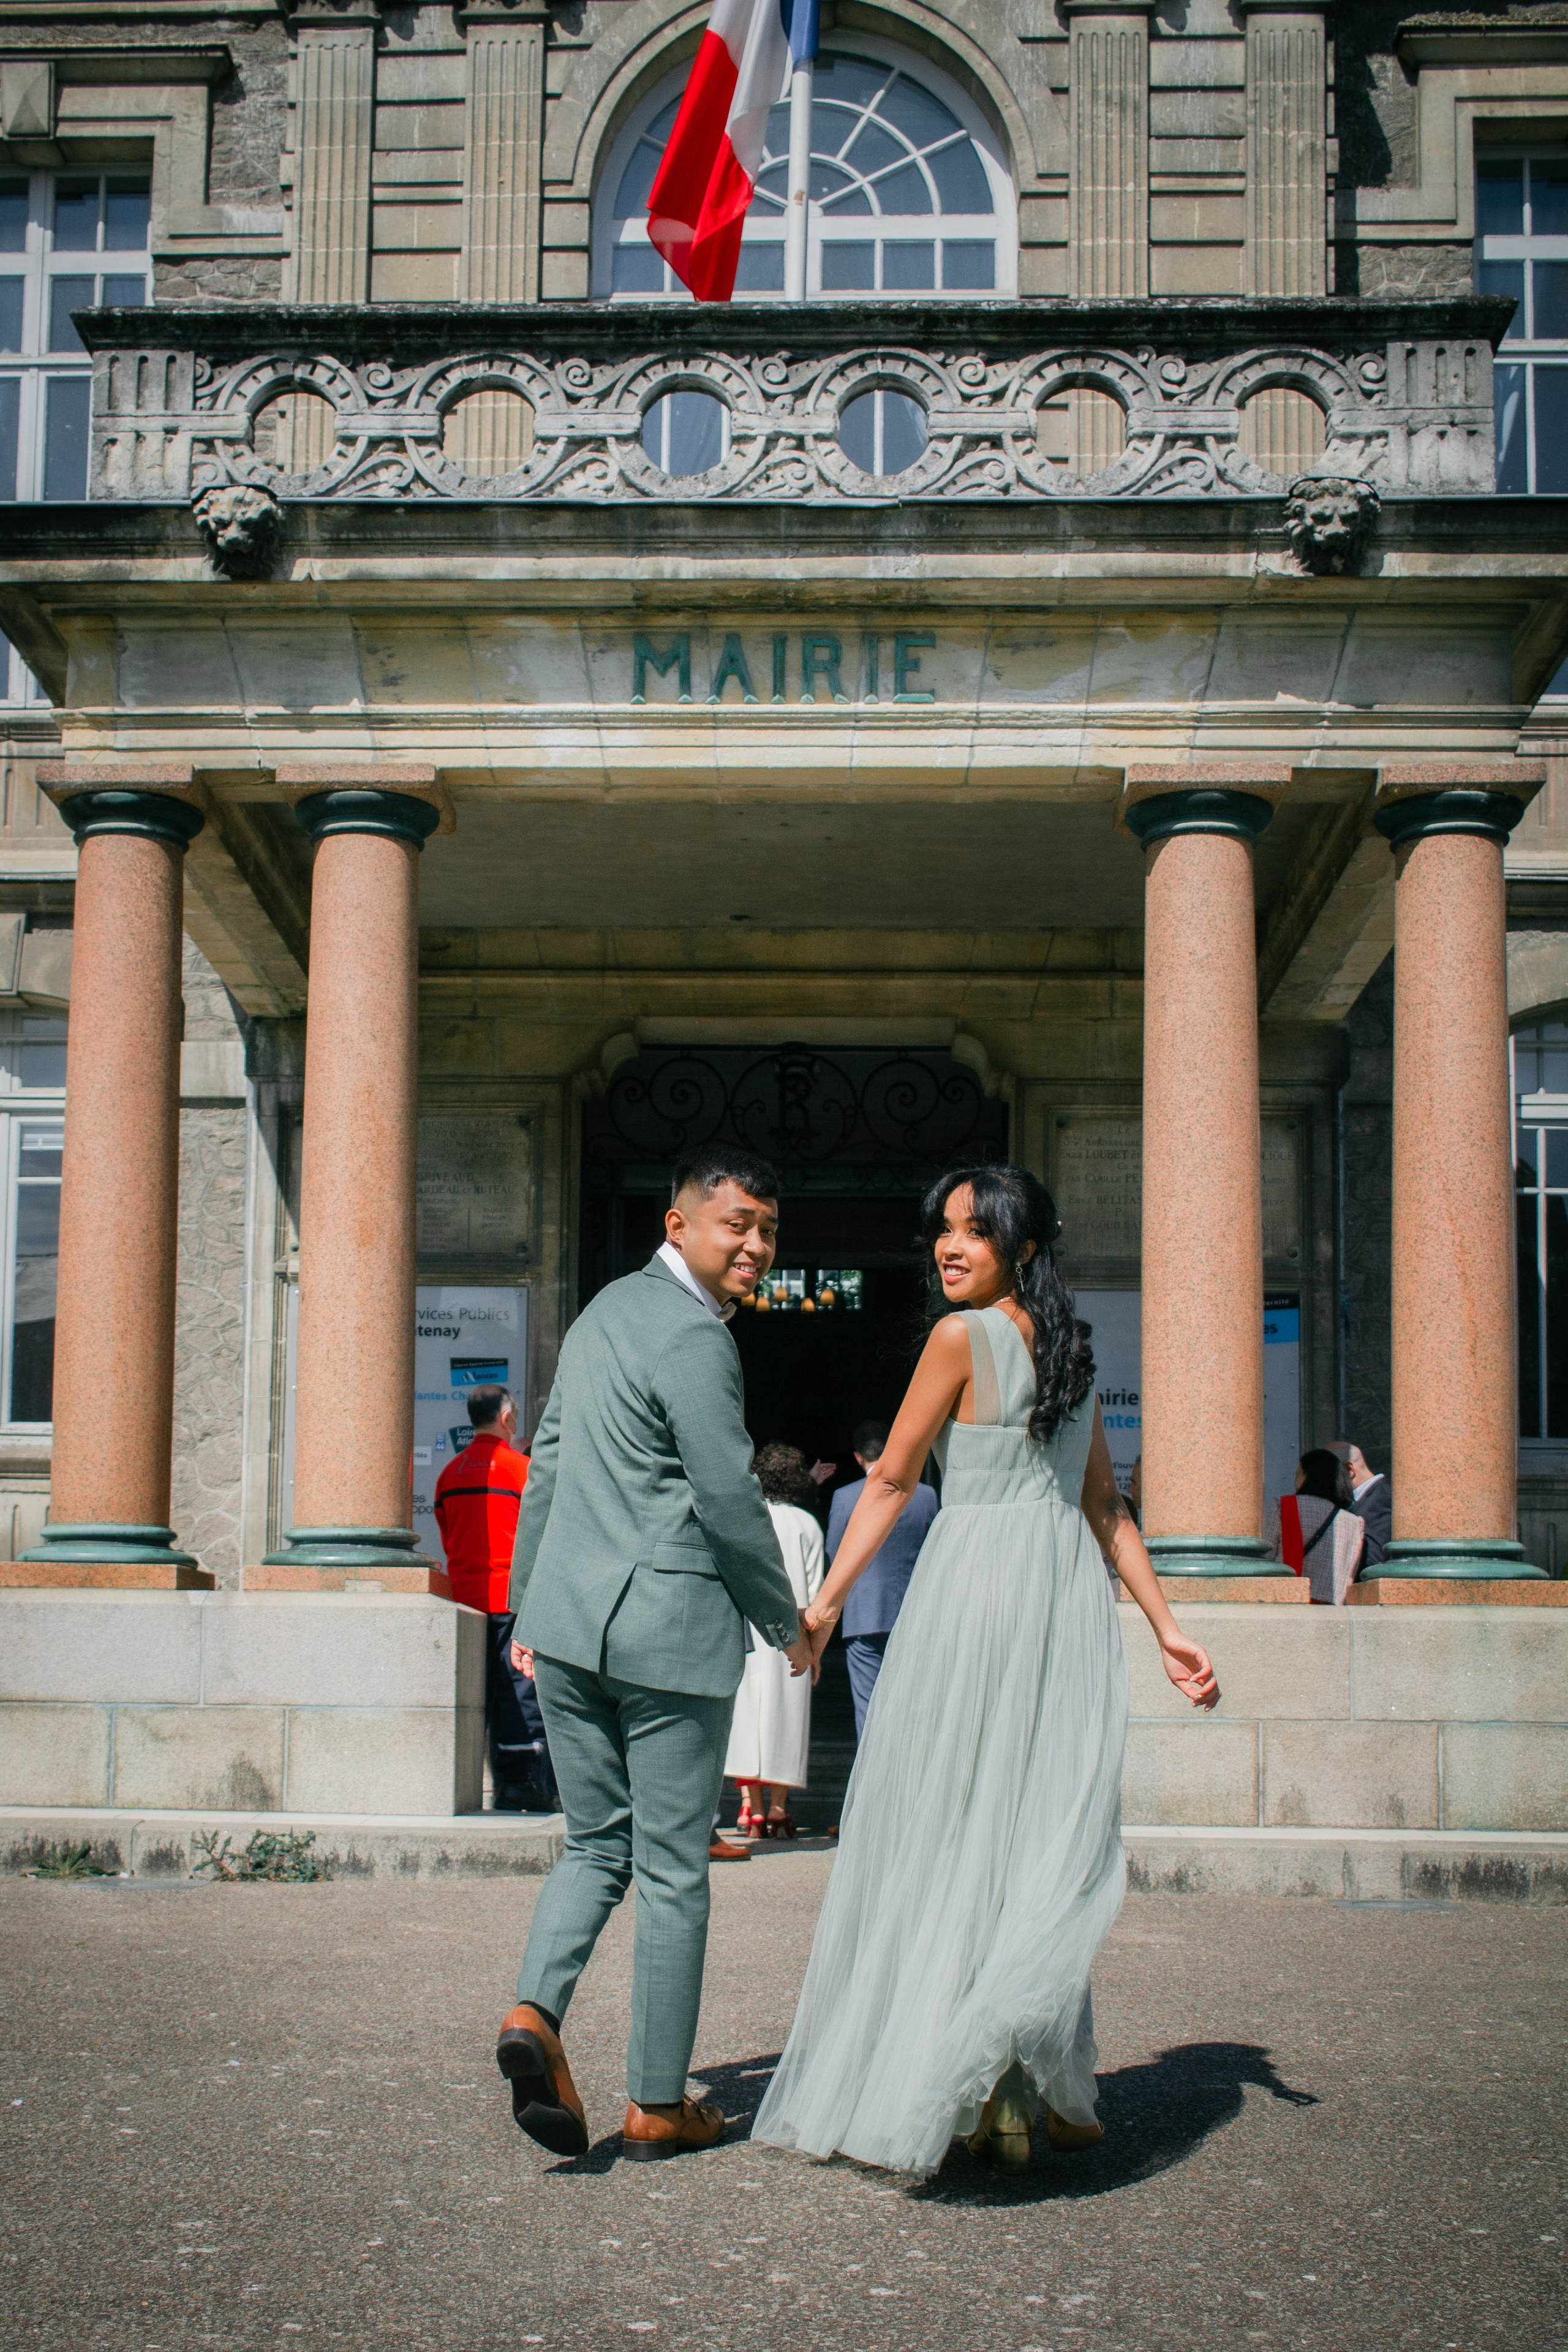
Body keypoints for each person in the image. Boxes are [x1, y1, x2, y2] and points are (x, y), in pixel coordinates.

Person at [751, 1163, 1219, 2180]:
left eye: (973, 1230)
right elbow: (1106, 1511)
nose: (948, 1246)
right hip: (1058, 1600)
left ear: (1025, 1245)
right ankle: (1031, 2081)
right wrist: (1166, 1626)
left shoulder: (959, 1338)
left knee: (955, 1821)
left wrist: (825, 1605)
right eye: (942, 1231)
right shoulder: (1074, 1354)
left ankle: (979, 2084)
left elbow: (889, 1476)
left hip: (976, 1595)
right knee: (1030, 1830)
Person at [494, 1147, 812, 2163]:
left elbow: (547, 1466)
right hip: (666, 1636)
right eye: (739, 1225)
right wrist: (786, 1620)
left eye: (768, 1228)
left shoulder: (597, 1319)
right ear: (679, 1227)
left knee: (595, 1845)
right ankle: (658, 2102)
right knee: (674, 1870)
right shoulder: (692, 1336)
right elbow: (727, 1494)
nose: (757, 1245)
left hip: (574, 1628)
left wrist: (525, 1614)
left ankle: (534, 2014)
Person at [432, 1385, 556, 1814]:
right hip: (511, 1601)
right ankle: (520, 1785)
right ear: (506, 1419)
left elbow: (448, 1537)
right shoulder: (521, 1470)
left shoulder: (449, 1474)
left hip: (465, 1602)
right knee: (520, 1694)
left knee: (472, 1697)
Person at [727, 1442, 826, 1838]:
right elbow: (818, 1591)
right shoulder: (807, 1524)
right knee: (786, 1719)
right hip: (794, 1635)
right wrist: (815, 1650)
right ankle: (780, 1808)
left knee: (746, 1717)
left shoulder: (745, 1518)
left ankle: (751, 1807)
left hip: (748, 1631)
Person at [826, 1419, 938, 1736]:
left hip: (863, 1614)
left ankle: (872, 1783)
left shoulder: (846, 1497)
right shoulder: (927, 1495)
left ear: (858, 1457)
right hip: (913, 1614)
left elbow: (835, 1552)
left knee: (869, 1709)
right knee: (913, 1705)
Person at [1271, 1448, 1366, 1604]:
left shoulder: (1284, 1507)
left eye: (1298, 1473)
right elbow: (1350, 1574)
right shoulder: (1355, 1523)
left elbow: (1267, 1556)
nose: (1295, 1478)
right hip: (1332, 1611)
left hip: (1287, 1602)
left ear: (1308, 1475)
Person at [1329, 1438, 1392, 1565]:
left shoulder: (1381, 1498)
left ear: (1349, 1469)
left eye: (1326, 1475)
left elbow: (1372, 1559)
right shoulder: (1355, 1502)